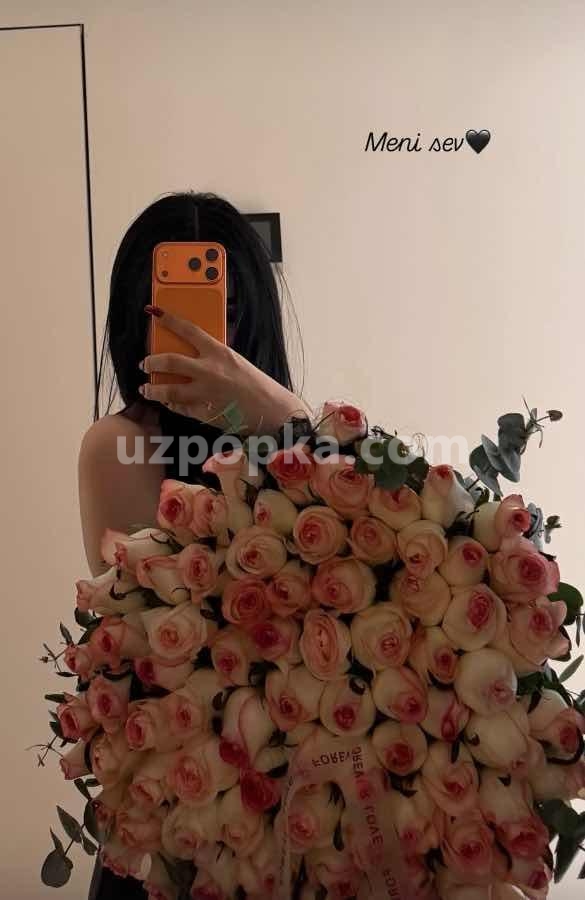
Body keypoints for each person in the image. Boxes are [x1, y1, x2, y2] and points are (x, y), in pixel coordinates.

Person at [78, 191, 307, 899]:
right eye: (168, 312)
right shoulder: (119, 445)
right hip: (182, 814)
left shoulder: (297, 434)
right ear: (134, 320)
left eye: (226, 311)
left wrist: (284, 423)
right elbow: (173, 635)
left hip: (296, 805)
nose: (210, 336)